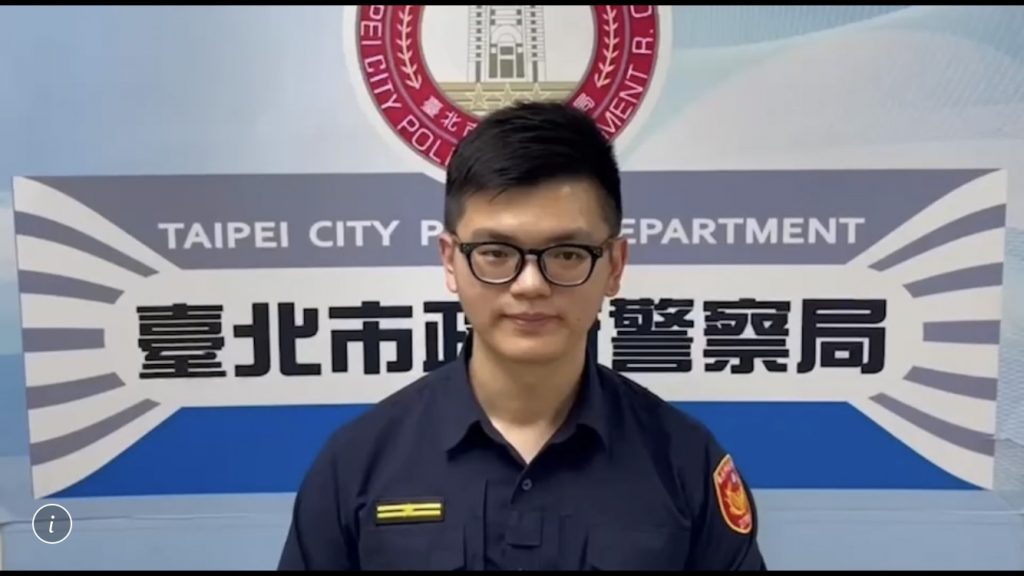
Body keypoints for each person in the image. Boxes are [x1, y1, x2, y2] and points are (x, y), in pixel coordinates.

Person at [277, 101, 767, 571]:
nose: (530, 285)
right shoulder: (357, 464)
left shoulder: (684, 463)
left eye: (568, 254)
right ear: (450, 260)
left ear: (615, 265)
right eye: (496, 252)